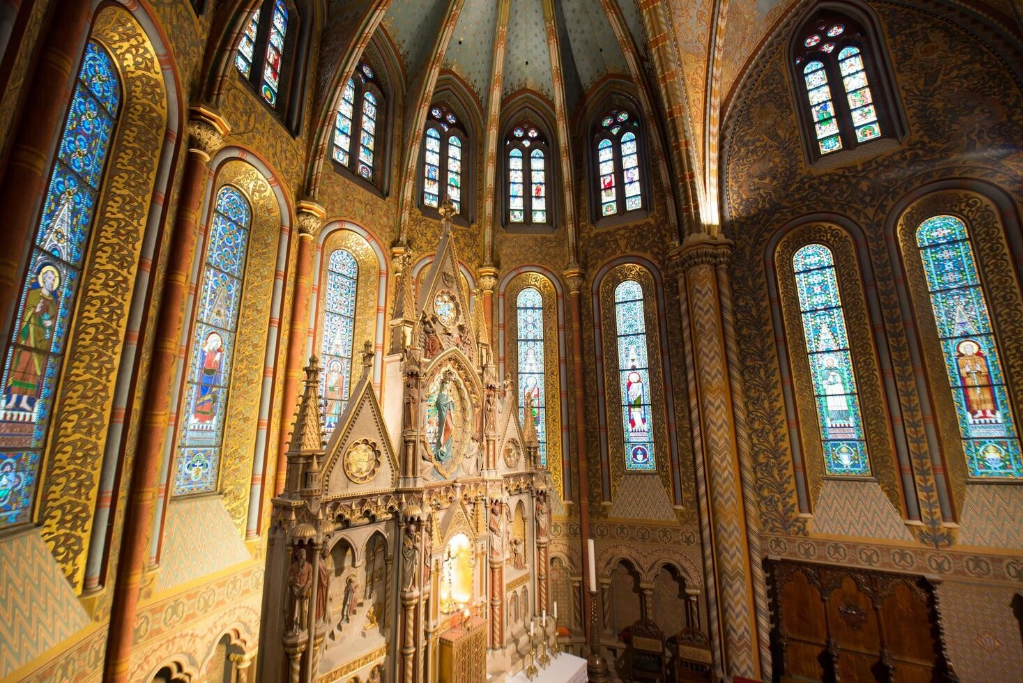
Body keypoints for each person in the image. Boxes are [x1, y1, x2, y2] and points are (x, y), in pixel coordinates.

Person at [4, 264, 60, 413]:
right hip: (29, 334)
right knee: (21, 364)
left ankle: (25, 401)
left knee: (34, 371)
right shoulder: (34, 293)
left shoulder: (54, 301)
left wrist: (51, 323)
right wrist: (34, 311)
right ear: (43, 278)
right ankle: (13, 398)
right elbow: (26, 310)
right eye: (49, 278)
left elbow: (55, 319)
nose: (51, 281)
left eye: (53, 279)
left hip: (42, 338)